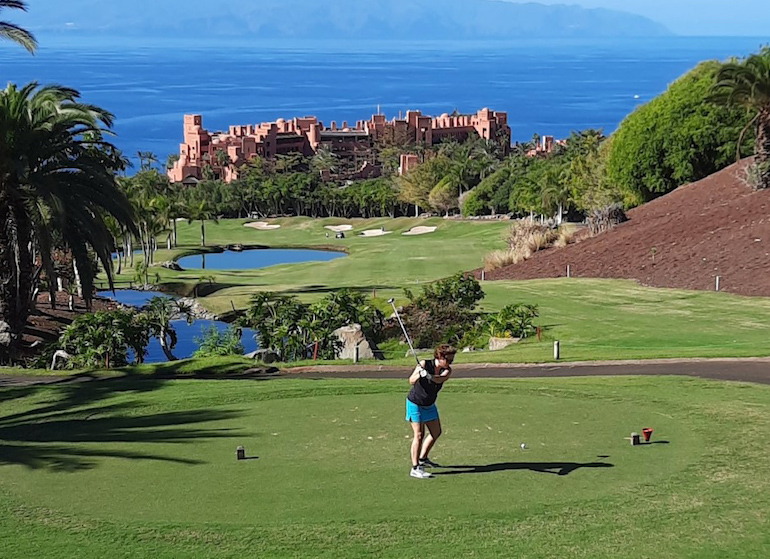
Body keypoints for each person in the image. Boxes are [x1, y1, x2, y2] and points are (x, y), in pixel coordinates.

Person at [406, 343, 456, 479]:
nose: (451, 363)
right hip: (415, 403)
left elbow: (440, 379)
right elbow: (411, 380)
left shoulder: (447, 370)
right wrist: (420, 374)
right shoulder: (424, 364)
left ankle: (423, 458)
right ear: (440, 357)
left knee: (436, 432)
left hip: (429, 404)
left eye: (452, 360)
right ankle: (415, 468)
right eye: (449, 360)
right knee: (419, 435)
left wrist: (429, 376)